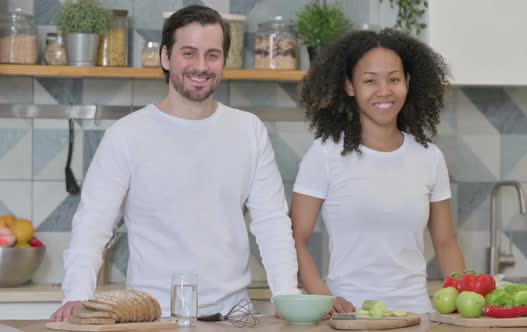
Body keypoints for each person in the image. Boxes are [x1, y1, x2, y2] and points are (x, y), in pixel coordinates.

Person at [49, 5, 299, 322]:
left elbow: (272, 223)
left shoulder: (249, 130)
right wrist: (77, 295)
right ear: (166, 57)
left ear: (223, 61)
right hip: (151, 318)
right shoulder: (127, 134)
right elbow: (92, 226)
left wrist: (287, 293)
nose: (201, 66)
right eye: (189, 53)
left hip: (233, 318)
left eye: (212, 54)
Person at [291, 28, 465, 314]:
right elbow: (295, 238)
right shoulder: (324, 155)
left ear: (407, 82)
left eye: (394, 79)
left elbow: (446, 244)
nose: (384, 91)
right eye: (370, 81)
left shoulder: (430, 158)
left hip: (416, 316)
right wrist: (324, 298)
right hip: (350, 317)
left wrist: (461, 301)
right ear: (350, 86)